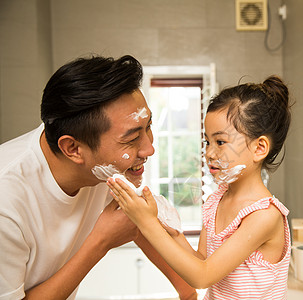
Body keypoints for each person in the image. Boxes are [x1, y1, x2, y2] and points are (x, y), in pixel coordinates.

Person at [0, 55, 196, 300]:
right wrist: (100, 241)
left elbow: (136, 223)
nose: (149, 149)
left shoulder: (98, 161)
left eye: (149, 126)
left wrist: (189, 293)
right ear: (73, 149)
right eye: (132, 139)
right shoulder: (6, 203)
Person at [108, 75, 292, 299]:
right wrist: (171, 230)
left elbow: (202, 277)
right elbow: (202, 261)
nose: (209, 153)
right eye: (207, 142)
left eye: (220, 142)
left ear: (259, 148)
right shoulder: (217, 200)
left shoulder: (264, 215)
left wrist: (145, 223)